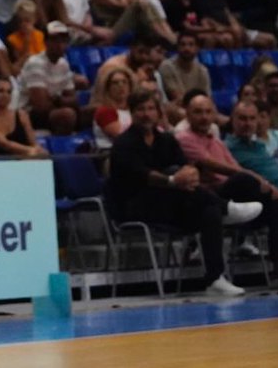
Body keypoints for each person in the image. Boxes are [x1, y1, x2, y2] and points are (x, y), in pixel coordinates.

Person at [105, 89, 253, 296]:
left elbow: (186, 166)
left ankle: (215, 279)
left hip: (169, 203)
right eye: (140, 109)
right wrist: (173, 180)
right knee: (175, 175)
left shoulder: (166, 139)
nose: (146, 114)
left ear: (158, 112)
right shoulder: (123, 144)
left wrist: (189, 173)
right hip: (135, 205)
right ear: (132, 113)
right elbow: (142, 175)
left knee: (209, 211)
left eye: (150, 109)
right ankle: (226, 207)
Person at [173, 94, 278, 289]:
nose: (204, 117)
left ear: (214, 114)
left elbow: (236, 166)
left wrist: (273, 193)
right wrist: (260, 180)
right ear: (187, 114)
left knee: (277, 208)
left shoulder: (217, 142)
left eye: (207, 112)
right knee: (243, 179)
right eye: (198, 112)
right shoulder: (184, 138)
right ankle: (227, 210)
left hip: (237, 196)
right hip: (208, 199)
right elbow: (216, 166)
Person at [18, 22, 85, 133]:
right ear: (46, 42)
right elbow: (40, 106)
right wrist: (62, 101)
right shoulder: (35, 63)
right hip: (28, 113)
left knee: (92, 111)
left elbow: (73, 99)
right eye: (55, 41)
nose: (60, 45)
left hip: (54, 108)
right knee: (67, 114)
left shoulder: (63, 64)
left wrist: (57, 100)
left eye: (64, 41)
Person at [0, 74, 45, 158]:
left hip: (24, 160)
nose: (5, 95)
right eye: (0, 91)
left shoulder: (21, 115)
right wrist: (30, 151)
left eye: (8, 92)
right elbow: (5, 144)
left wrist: (38, 151)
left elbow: (34, 143)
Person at [225, 100, 278, 194]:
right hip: (272, 193)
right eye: (243, 119)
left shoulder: (259, 144)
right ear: (233, 119)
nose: (248, 124)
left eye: (252, 119)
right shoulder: (227, 147)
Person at [91, 68, 136, 149]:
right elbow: (121, 138)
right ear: (108, 89)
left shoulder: (135, 109)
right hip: (110, 154)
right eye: (115, 83)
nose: (121, 85)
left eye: (124, 82)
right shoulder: (104, 111)